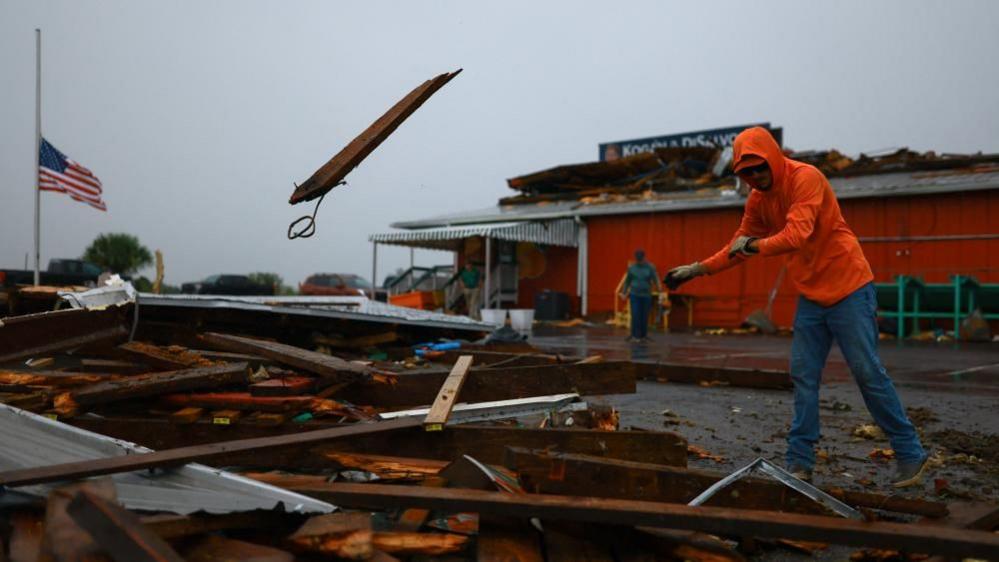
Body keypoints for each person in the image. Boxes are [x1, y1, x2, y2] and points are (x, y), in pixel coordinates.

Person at [666, 127, 929, 488]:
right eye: (748, 173)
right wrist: (697, 269)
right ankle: (800, 462)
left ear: (773, 158)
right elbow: (738, 246)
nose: (756, 177)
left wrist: (753, 246)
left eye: (760, 168)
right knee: (804, 376)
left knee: (867, 371)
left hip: (850, 287)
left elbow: (795, 235)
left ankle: (910, 454)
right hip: (812, 296)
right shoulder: (758, 200)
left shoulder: (807, 178)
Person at [619, 249, 661, 342]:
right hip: (635, 295)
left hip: (646, 295)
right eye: (638, 259)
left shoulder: (650, 267)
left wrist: (659, 290)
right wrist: (624, 292)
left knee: (644, 315)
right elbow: (627, 281)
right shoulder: (632, 268)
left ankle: (643, 335)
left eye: (640, 259)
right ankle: (634, 335)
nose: (639, 261)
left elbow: (655, 279)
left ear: (644, 257)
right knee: (635, 314)